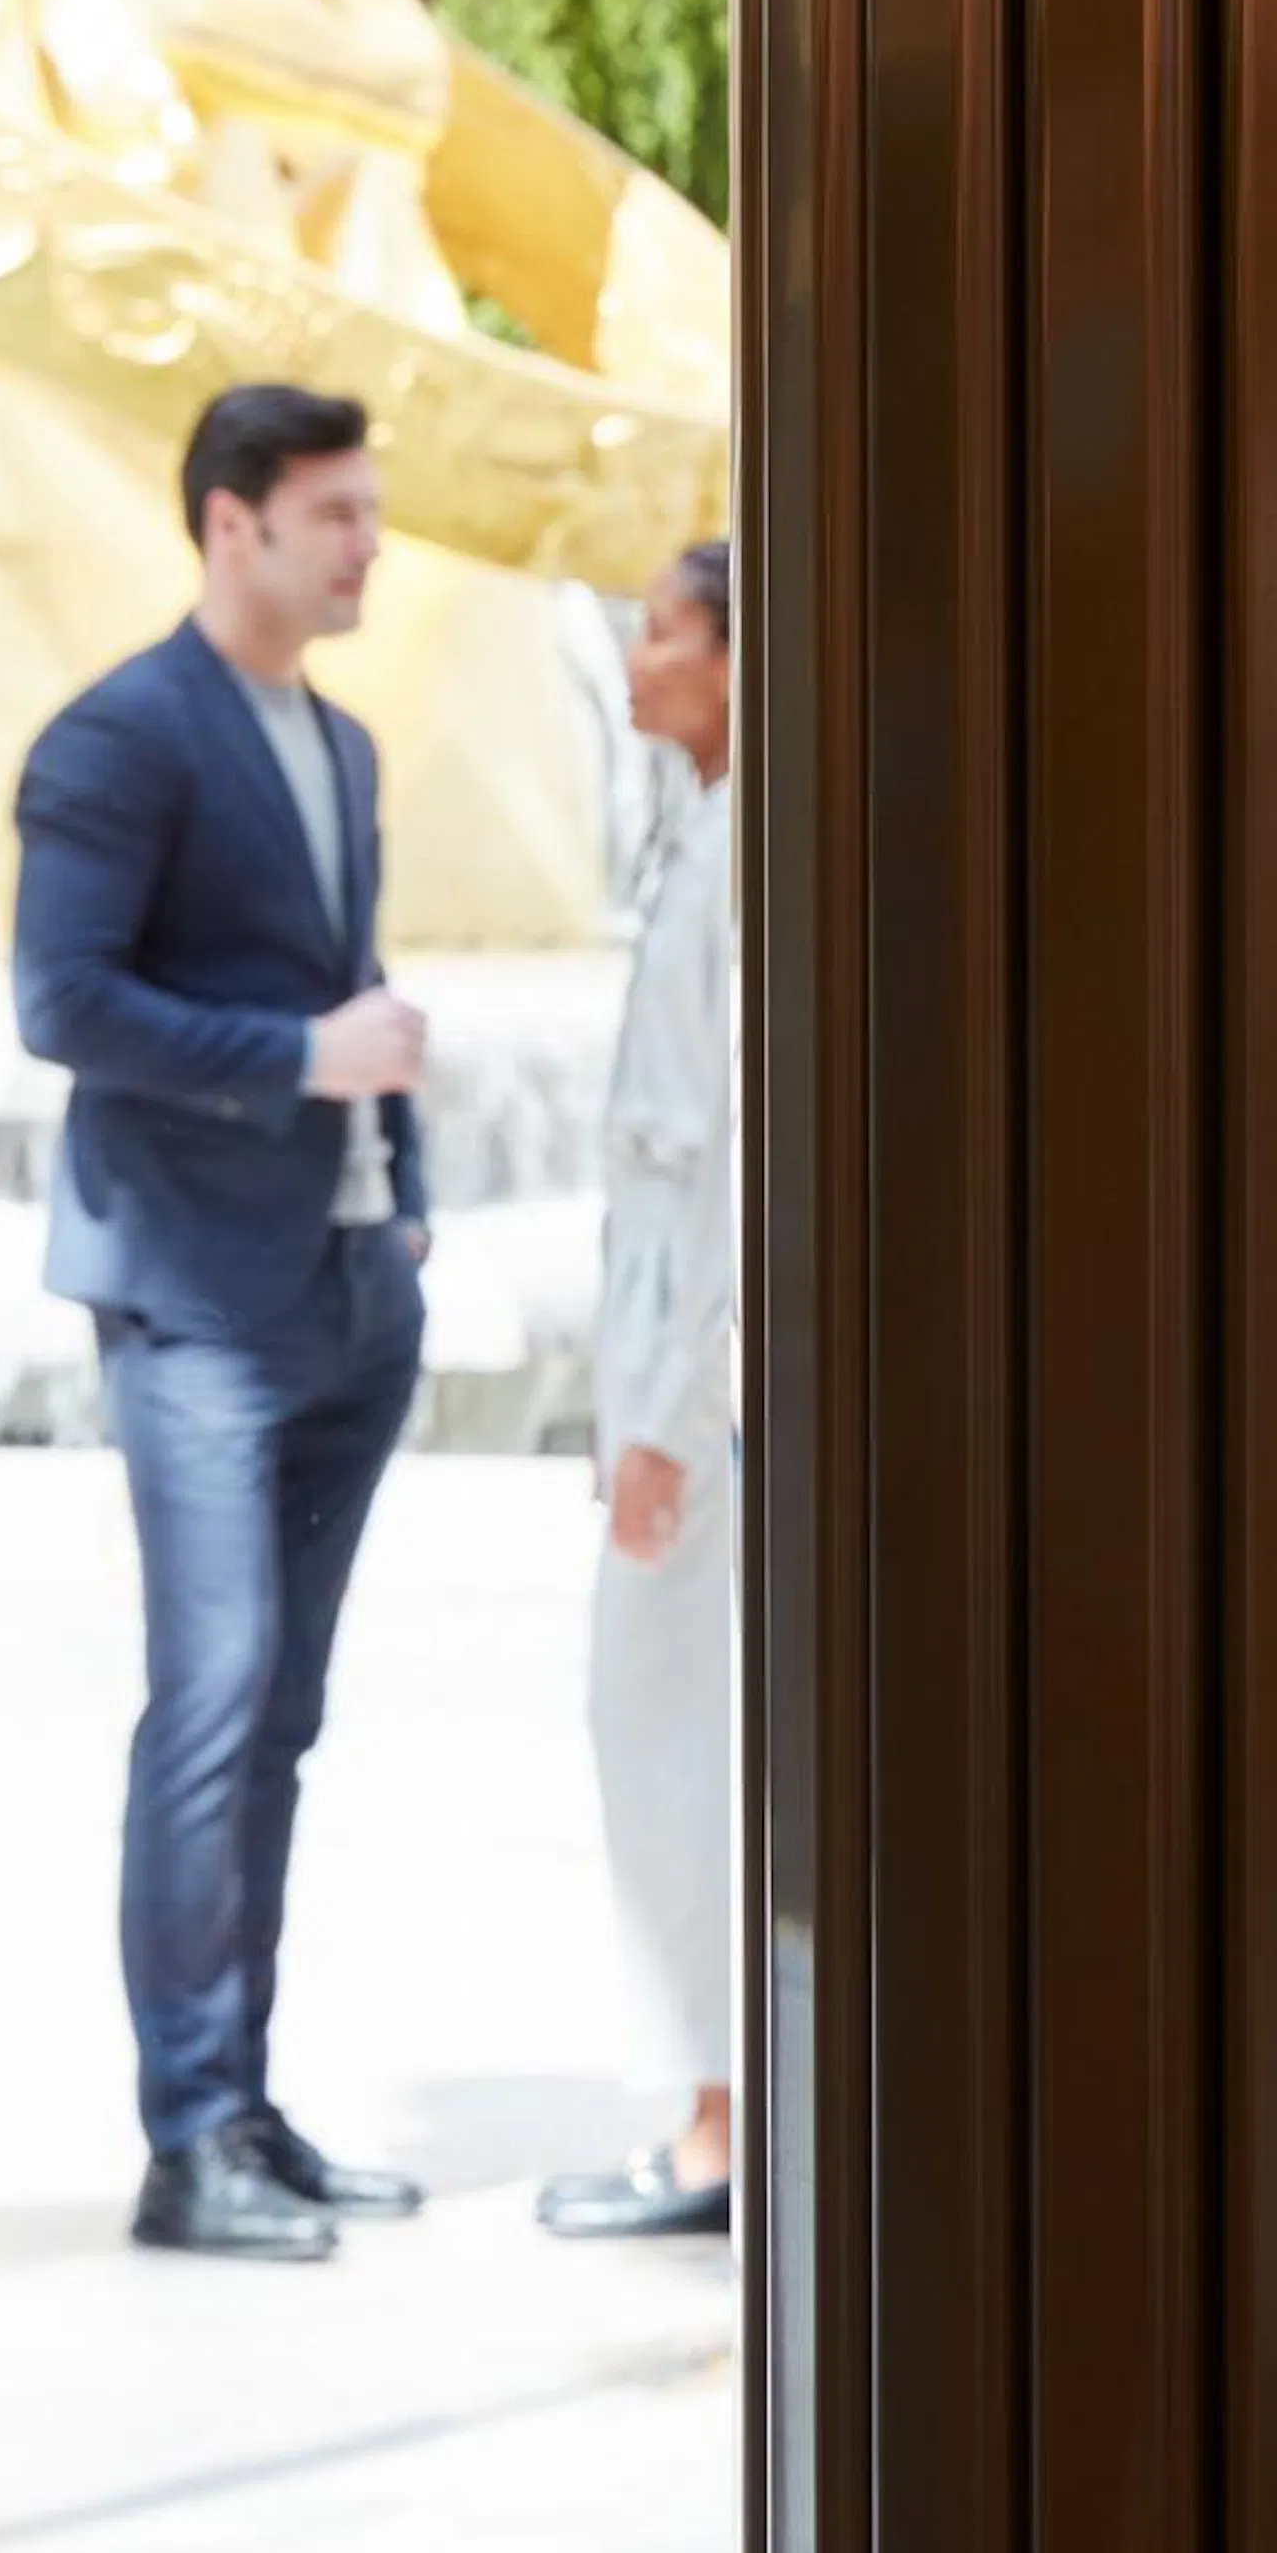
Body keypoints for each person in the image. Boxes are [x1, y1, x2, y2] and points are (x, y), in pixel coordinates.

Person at [13, 382, 437, 2263]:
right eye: (334, 514)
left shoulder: (337, 748)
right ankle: (185, 2137)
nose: (365, 547)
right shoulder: (121, 738)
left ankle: (244, 2106)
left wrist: (399, 1200)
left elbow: (348, 984)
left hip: (348, 1291)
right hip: (194, 1303)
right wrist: (297, 1059)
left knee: (279, 1714)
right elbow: (62, 999)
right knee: (210, 1705)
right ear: (229, 523)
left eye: (366, 512)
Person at [540, 539, 736, 2239]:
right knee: (660, 1718)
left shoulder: (751, 853)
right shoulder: (698, 823)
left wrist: (673, 1422)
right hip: (667, 1336)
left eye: (668, 631)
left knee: (673, 1723)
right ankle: (704, 2105)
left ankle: (716, 2126)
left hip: (711, 1373)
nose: (638, 656)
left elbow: (746, 1168)